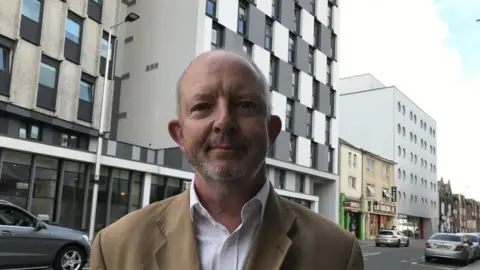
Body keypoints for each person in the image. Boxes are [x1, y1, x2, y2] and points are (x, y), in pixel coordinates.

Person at [90, 50, 364, 270]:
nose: (223, 122)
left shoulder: (338, 253)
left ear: (271, 131)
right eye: (202, 107)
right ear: (179, 135)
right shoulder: (114, 250)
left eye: (244, 104)